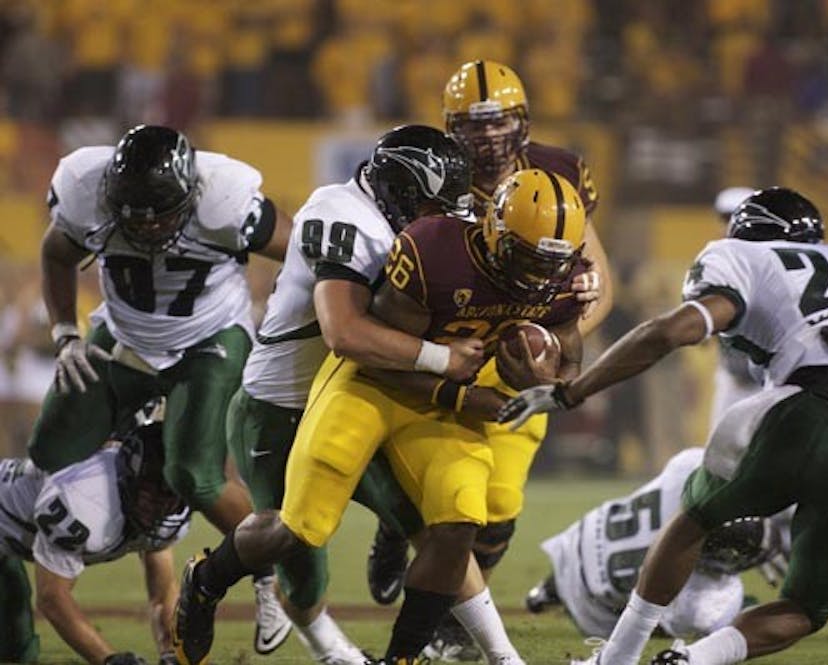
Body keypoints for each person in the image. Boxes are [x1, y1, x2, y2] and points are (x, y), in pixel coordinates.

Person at [498, 187, 828, 665]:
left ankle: (615, 660)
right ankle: (692, 661)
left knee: (693, 521)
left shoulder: (744, 257)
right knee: (806, 607)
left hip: (800, 411)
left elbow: (670, 332)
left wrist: (570, 393)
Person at [176, 168, 588, 665]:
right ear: (496, 231)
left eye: (551, 264)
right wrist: (461, 394)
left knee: (458, 525)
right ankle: (207, 579)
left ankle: (403, 658)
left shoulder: (564, 273)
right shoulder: (433, 249)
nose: (538, 277)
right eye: (528, 259)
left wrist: (545, 383)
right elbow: (379, 357)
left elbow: (568, 353)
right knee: (301, 528)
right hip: (371, 385)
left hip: (436, 401)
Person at [367, 57, 613, 661]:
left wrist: (556, 335)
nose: (488, 137)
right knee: (444, 498)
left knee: (499, 508)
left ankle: (449, 609)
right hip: (448, 344)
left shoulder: (561, 173)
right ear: (451, 129)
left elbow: (597, 281)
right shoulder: (432, 176)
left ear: (523, 120)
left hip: (514, 357)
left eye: (499, 122)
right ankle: (406, 544)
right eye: (473, 126)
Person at [223, 124, 484, 664]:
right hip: (282, 408)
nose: (438, 224)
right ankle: (219, 589)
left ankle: (500, 652)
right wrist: (442, 360)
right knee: (301, 560)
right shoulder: (342, 214)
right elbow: (344, 333)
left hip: (358, 396)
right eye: (430, 208)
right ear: (401, 191)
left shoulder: (416, 228)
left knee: (439, 525)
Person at [34, 123, 294, 653]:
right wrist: (65, 333)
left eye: (162, 212)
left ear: (191, 193)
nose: (149, 226)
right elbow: (57, 252)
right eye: (136, 212)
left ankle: (271, 579)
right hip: (124, 331)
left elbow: (303, 254)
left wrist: (279, 322)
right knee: (49, 450)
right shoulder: (86, 190)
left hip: (208, 337)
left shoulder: (225, 200)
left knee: (193, 476)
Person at [525, 447, 790, 640]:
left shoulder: (689, 468)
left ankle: (546, 591)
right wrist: (741, 601)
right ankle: (553, 594)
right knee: (661, 615)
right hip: (594, 611)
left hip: (582, 536)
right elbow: (674, 626)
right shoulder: (700, 594)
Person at [0, 399, 191, 665]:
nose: (158, 505)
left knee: (17, 649)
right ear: (128, 477)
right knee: (14, 639)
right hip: (7, 523)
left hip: (16, 536)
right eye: (149, 491)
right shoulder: (83, 498)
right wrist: (109, 659)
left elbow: (162, 594)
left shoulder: (171, 512)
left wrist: (171, 652)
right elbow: (52, 597)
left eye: (168, 493)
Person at [709, 187, 759, 428]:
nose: (728, 226)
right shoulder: (719, 260)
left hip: (772, 381)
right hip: (732, 377)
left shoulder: (770, 262)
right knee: (718, 458)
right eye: (725, 219)